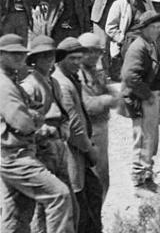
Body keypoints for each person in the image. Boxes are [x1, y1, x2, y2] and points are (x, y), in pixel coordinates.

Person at [0, 34, 76, 233]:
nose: (19, 58)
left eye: (21, 54)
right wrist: (35, 117)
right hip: (16, 156)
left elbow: (33, 112)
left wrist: (33, 115)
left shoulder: (12, 81)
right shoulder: (5, 85)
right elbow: (23, 122)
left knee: (17, 214)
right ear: (0, 56)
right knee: (59, 195)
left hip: (16, 154)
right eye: (13, 54)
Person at [20, 36, 73, 233]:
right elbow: (22, 122)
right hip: (41, 148)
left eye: (51, 56)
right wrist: (43, 132)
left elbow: (63, 110)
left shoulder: (54, 82)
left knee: (63, 199)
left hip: (58, 145)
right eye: (44, 57)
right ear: (34, 60)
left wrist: (64, 128)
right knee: (42, 205)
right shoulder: (29, 86)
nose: (49, 60)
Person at [52, 37, 104, 232]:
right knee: (80, 205)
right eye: (72, 59)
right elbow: (74, 126)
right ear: (60, 59)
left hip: (79, 151)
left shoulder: (71, 79)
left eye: (79, 58)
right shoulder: (63, 84)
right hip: (73, 153)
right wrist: (89, 149)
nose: (77, 63)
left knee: (94, 194)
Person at [120, 11, 160, 193]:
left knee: (151, 140)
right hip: (139, 99)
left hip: (148, 97)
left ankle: (147, 177)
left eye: (159, 27)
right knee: (142, 140)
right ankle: (139, 182)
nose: (157, 30)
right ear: (144, 29)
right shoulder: (138, 47)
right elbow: (130, 76)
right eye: (153, 27)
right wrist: (148, 96)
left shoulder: (150, 44)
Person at [77, 32, 117, 200]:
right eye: (90, 51)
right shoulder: (77, 75)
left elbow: (108, 92)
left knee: (102, 178)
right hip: (88, 131)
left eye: (98, 52)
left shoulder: (95, 72)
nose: (94, 55)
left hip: (101, 129)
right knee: (93, 181)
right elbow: (88, 105)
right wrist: (109, 99)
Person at [106, 0, 155, 66]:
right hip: (127, 43)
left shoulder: (147, 2)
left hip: (146, 41)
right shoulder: (119, 4)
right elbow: (110, 27)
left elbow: (154, 21)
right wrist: (122, 40)